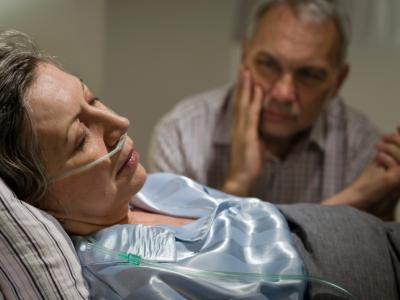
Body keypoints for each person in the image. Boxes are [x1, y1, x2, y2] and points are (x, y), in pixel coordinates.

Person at [1, 30, 400, 299]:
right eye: (79, 136)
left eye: (93, 99)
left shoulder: (141, 192)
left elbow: (256, 233)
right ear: (39, 197)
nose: (119, 124)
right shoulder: (119, 271)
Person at [148, 0, 392, 218]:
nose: (283, 93)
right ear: (245, 57)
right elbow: (176, 262)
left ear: (338, 82)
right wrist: (238, 182)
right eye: (268, 65)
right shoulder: (181, 134)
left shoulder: (363, 148)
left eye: (309, 75)